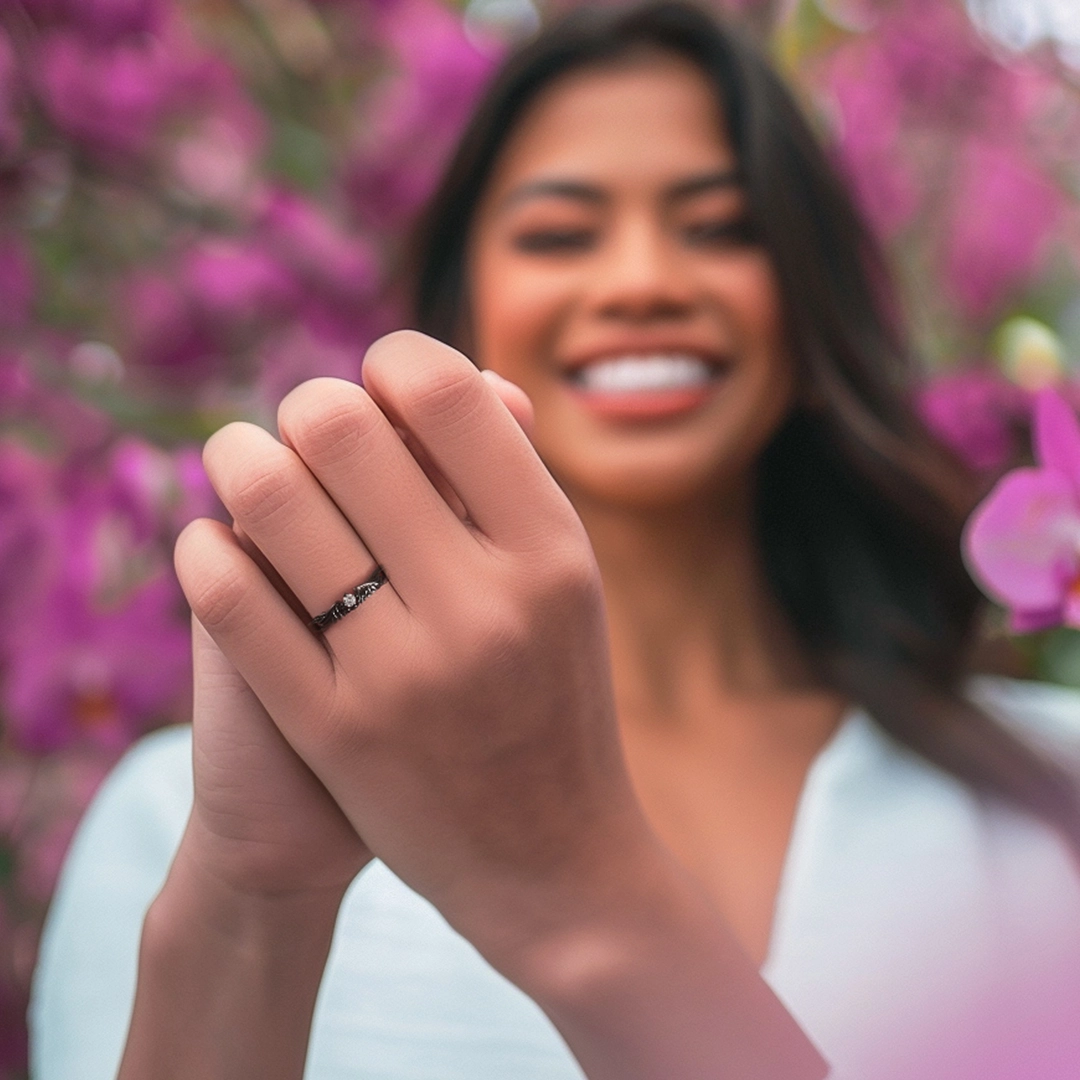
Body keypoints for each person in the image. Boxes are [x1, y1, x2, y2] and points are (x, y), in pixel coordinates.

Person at [30, 3, 1080, 1079]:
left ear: (816, 313)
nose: (640, 283)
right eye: (559, 235)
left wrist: (573, 888)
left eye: (719, 228)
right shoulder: (188, 819)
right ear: (457, 316)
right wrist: (257, 895)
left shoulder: (1057, 789)